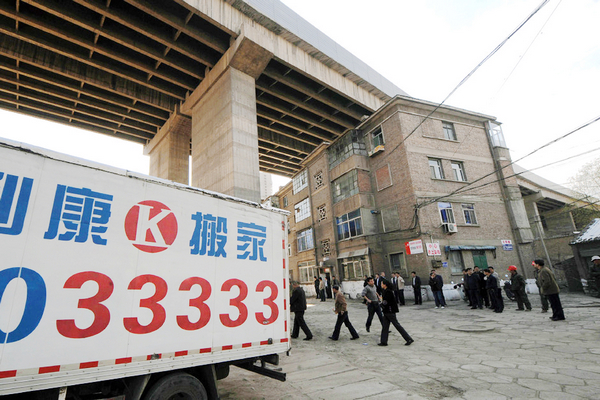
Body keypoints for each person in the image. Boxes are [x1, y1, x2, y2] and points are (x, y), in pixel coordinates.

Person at [378, 280, 414, 346]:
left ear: (385, 284)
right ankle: (383, 341)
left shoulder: (388, 292)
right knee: (385, 327)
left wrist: (380, 304)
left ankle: (408, 339)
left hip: (390, 311)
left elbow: (386, 302)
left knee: (397, 325)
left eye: (382, 283)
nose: (381, 285)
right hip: (386, 311)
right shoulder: (385, 291)